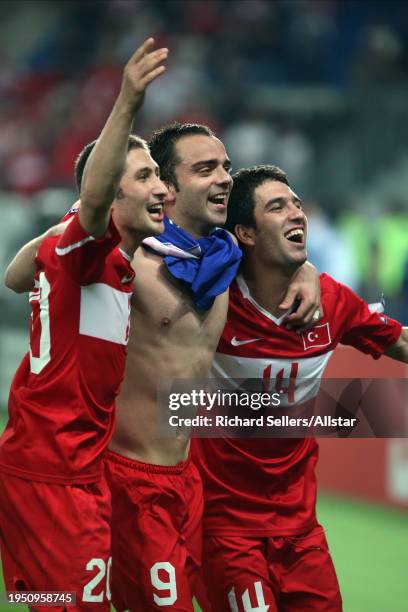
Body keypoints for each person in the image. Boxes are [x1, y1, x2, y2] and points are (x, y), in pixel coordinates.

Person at [5, 129, 321, 610]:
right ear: (167, 188)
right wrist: (73, 222)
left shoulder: (226, 260)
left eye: (225, 166)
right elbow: (18, 275)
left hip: (187, 481)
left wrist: (306, 271)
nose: (224, 179)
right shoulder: (124, 254)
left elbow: (283, 254)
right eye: (206, 169)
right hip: (124, 476)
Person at [191, 165, 408, 612]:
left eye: (296, 203)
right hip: (225, 529)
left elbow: (400, 340)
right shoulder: (211, 297)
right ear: (245, 233)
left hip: (301, 531)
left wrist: (308, 270)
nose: (298, 213)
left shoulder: (331, 300)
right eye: (278, 206)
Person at [0, 38, 168, 611]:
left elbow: (14, 276)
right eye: (145, 176)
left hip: (76, 474)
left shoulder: (109, 261)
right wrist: (126, 102)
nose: (161, 188)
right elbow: (89, 206)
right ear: (108, 190)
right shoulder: (87, 248)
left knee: (55, 602)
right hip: (50, 476)